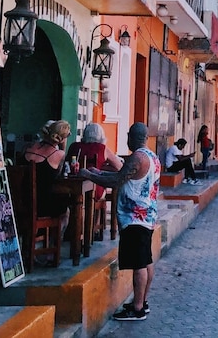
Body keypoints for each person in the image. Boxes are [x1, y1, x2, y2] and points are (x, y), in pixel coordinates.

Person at [79, 122, 161, 321]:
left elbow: (117, 181)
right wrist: (100, 173)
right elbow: (121, 176)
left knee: (139, 264)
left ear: (132, 137)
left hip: (135, 218)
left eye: (128, 137)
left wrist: (89, 175)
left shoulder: (138, 157)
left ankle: (138, 308)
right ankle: (142, 302)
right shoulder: (152, 156)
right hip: (146, 216)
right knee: (146, 261)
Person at [22, 120, 71, 250]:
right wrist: (63, 147)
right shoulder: (58, 154)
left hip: (22, 202)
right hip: (41, 204)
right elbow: (60, 175)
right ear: (61, 138)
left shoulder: (30, 148)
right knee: (65, 211)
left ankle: (32, 245)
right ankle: (52, 248)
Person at [66, 123, 124, 200]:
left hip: (73, 189)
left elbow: (66, 163)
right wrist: (102, 168)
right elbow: (119, 167)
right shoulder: (102, 148)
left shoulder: (74, 146)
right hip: (96, 189)